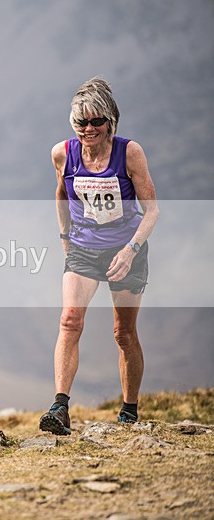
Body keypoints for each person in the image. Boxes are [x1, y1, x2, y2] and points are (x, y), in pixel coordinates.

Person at [40, 78, 159, 435]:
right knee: (69, 321)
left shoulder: (129, 153)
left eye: (96, 122)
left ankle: (128, 411)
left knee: (123, 333)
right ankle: (60, 408)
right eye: (81, 123)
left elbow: (151, 211)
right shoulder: (62, 153)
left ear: (110, 121)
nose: (88, 129)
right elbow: (62, 194)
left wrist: (130, 250)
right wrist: (64, 235)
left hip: (127, 248)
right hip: (83, 249)